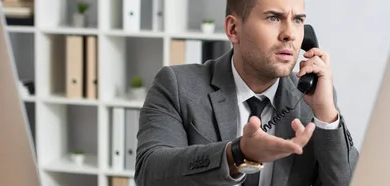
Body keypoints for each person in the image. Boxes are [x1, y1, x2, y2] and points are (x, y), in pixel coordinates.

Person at [134, 0, 358, 185]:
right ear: (233, 29)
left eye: (298, 20)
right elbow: (150, 173)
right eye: (273, 18)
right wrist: (236, 154)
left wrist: (327, 115)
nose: (290, 34)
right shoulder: (177, 85)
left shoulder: (314, 99)